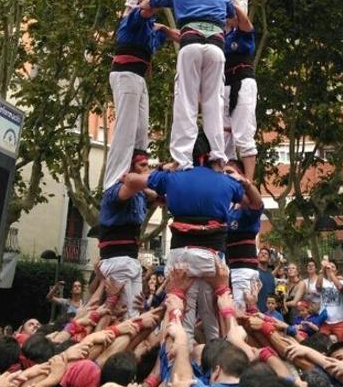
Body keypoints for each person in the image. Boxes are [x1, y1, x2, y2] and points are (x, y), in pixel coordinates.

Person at [119, 137, 250, 340]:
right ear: (213, 156)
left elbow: (129, 179)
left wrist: (163, 167)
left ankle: (175, 364)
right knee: (213, 321)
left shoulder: (172, 177)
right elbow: (252, 202)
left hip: (182, 254)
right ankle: (217, 361)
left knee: (179, 317)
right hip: (212, 257)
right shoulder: (227, 181)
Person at [141, 0, 238, 168]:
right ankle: (218, 154)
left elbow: (148, 2)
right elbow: (232, 13)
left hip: (190, 45)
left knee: (186, 99)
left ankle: (182, 158)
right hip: (216, 48)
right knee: (214, 101)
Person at [105, 0, 178, 186]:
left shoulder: (151, 29)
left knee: (140, 129)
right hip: (126, 73)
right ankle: (114, 180)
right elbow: (148, 7)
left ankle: (136, 170)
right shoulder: (132, 18)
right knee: (126, 128)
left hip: (138, 77)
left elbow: (177, 35)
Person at [98, 150, 155, 316]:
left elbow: (155, 194)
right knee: (124, 316)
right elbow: (131, 187)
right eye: (142, 165)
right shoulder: (115, 191)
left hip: (131, 260)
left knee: (135, 315)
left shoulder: (141, 194)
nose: (146, 170)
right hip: (117, 259)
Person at [223, 10, 257, 181]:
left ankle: (249, 182)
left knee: (244, 135)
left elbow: (245, 22)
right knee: (222, 135)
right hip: (223, 86)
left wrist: (232, 3)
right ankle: (224, 177)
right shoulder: (222, 37)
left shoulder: (244, 33)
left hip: (242, 82)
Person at [225, 163, 264, 309]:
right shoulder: (227, 208)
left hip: (243, 271)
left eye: (229, 172)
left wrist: (244, 182)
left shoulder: (246, 209)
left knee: (241, 318)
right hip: (229, 270)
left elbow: (257, 203)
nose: (226, 176)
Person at [317, 258, 343, 341]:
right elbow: (318, 287)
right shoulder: (322, 280)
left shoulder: (342, 281)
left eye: (333, 267)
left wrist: (331, 273)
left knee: (340, 344)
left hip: (339, 321)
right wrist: (322, 270)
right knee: (323, 344)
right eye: (329, 266)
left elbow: (340, 288)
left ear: (337, 271)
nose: (330, 268)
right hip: (324, 320)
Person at [257, 248, 276, 314]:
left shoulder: (271, 275)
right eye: (261, 253)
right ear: (258, 256)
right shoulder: (254, 272)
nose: (263, 254)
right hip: (257, 311)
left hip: (269, 313)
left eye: (266, 254)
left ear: (269, 258)